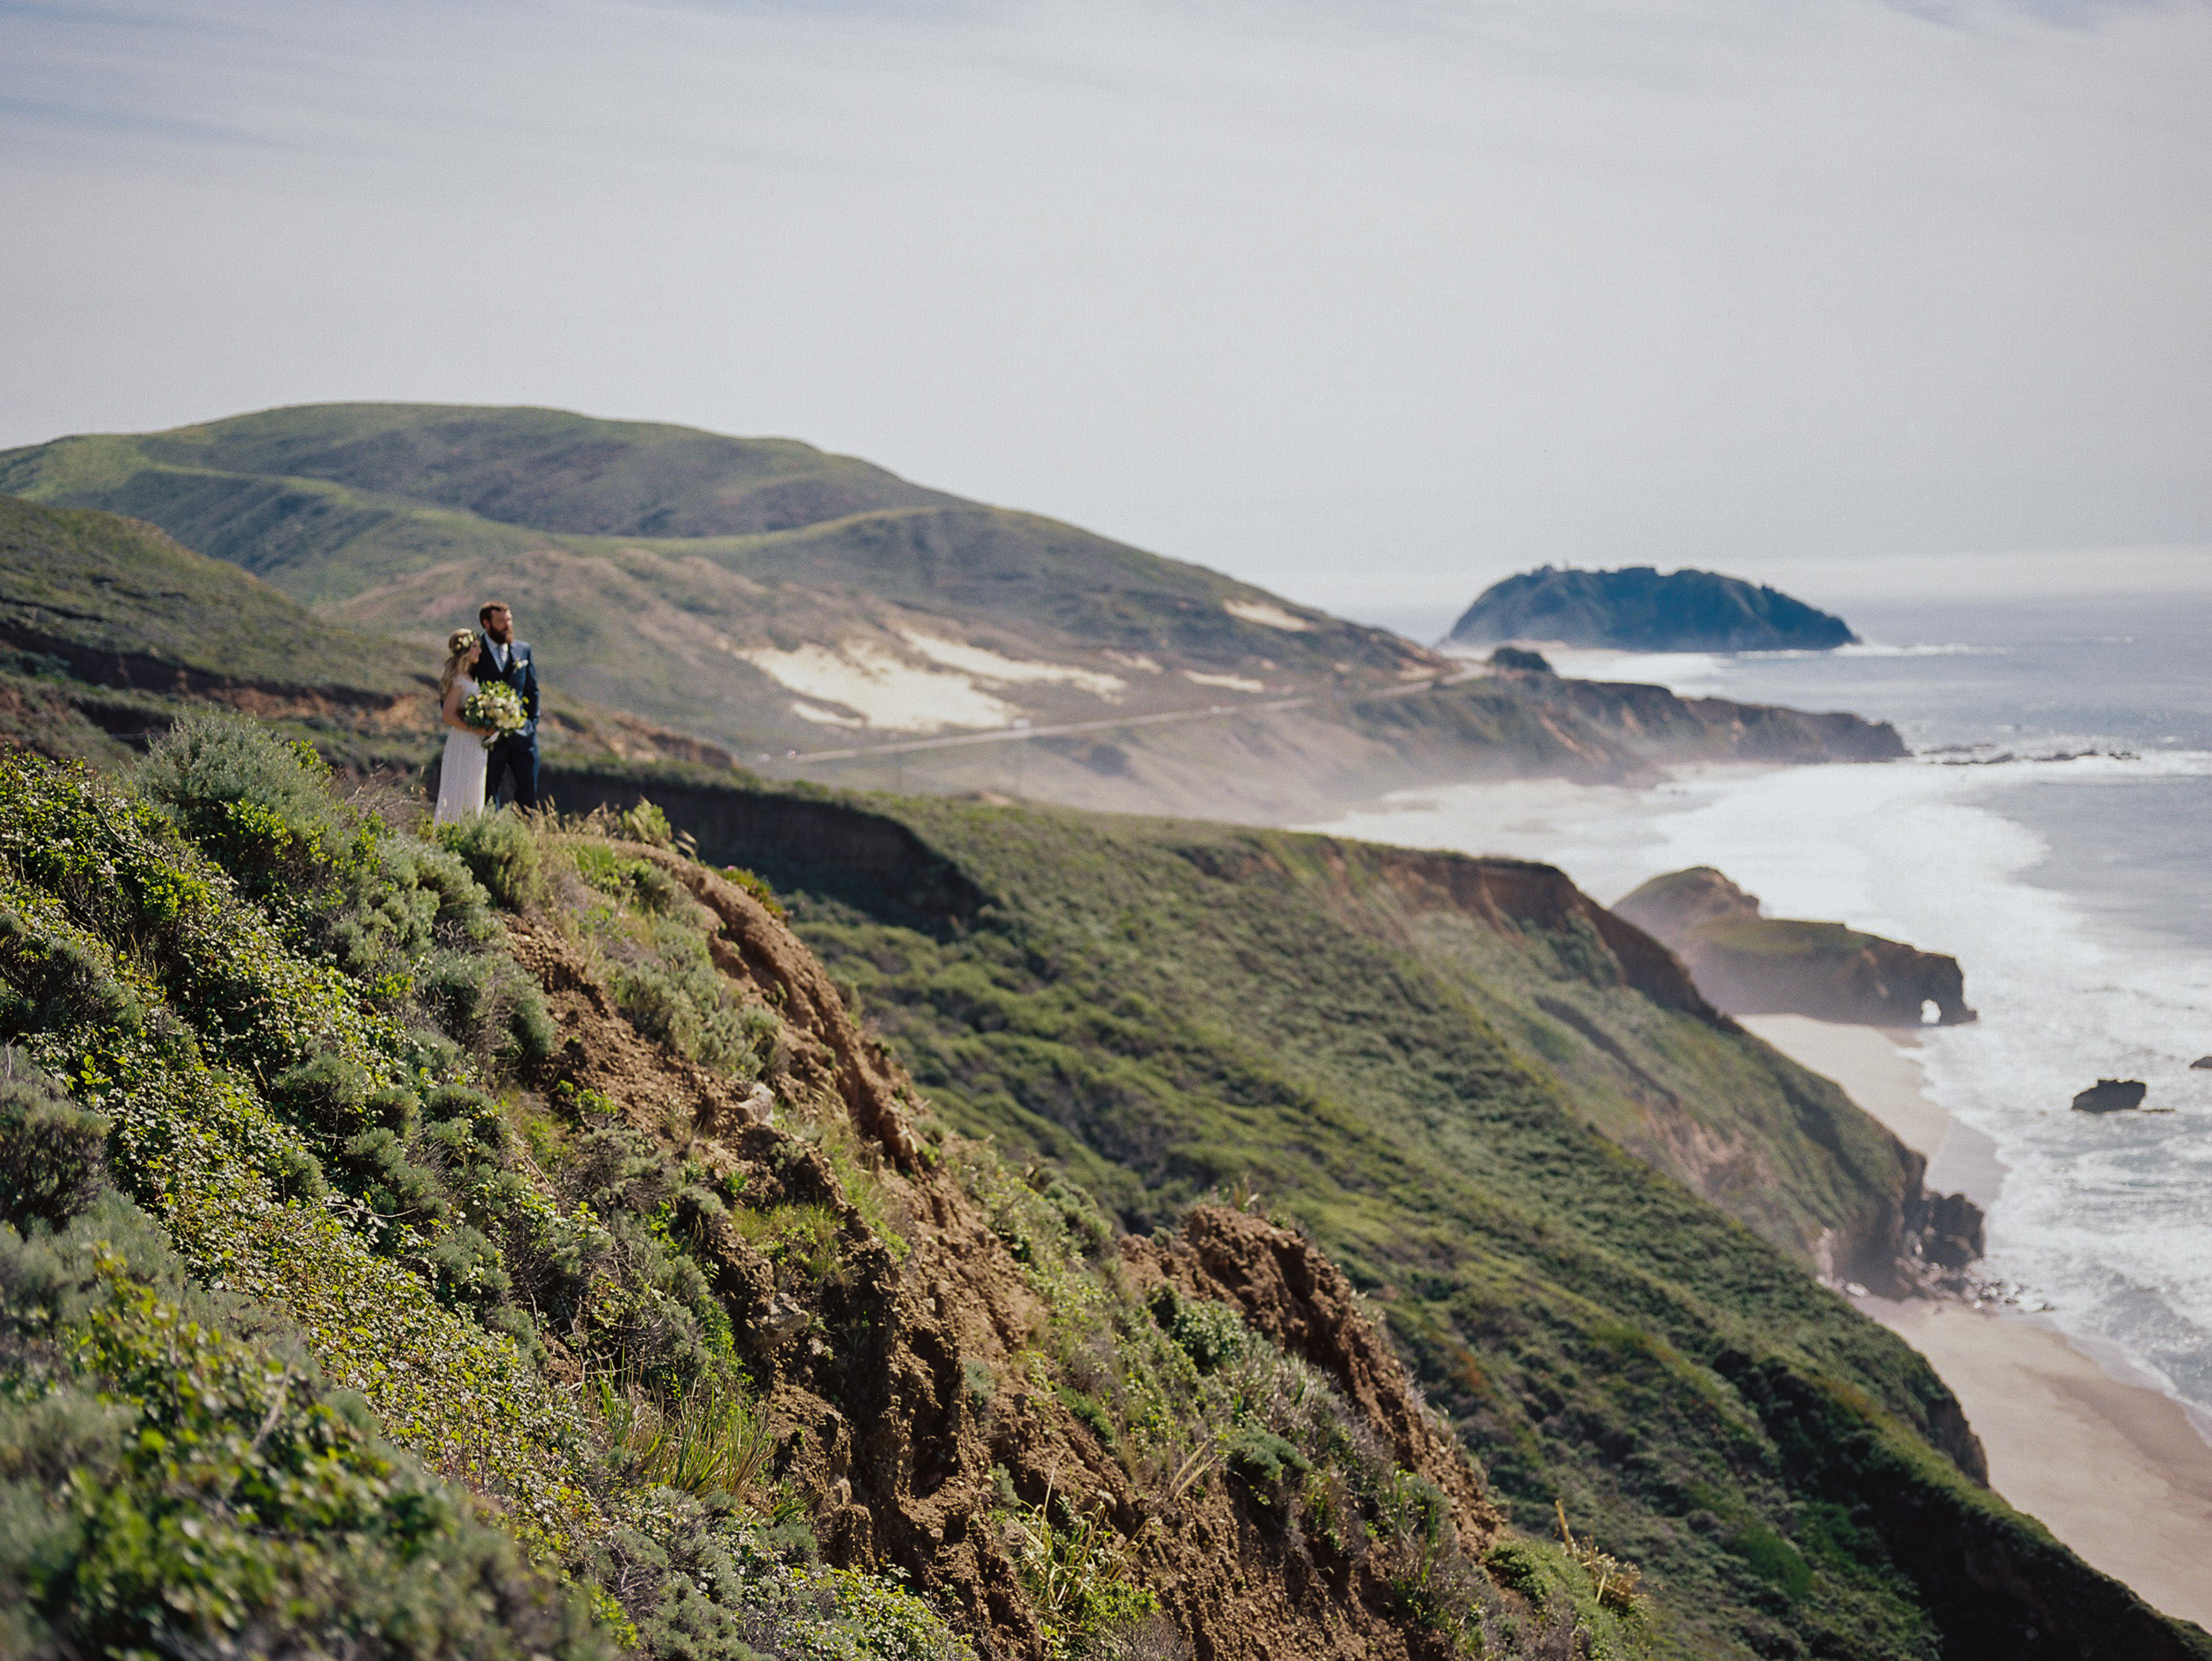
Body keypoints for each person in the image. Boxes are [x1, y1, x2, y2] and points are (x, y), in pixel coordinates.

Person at [472, 601, 541, 810]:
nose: (507, 625)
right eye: (501, 621)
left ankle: (525, 834)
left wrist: (531, 725)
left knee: (528, 789)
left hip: (522, 736)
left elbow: (532, 690)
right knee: (488, 794)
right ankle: (489, 833)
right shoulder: (475, 650)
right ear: (487, 623)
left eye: (509, 620)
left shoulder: (523, 650)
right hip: (489, 737)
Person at [433, 627, 490, 824]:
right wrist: (478, 729)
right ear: (465, 651)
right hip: (464, 741)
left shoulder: (469, 678)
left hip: (474, 742)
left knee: (473, 786)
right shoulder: (458, 680)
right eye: (475, 647)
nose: (479, 651)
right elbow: (448, 715)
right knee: (461, 786)